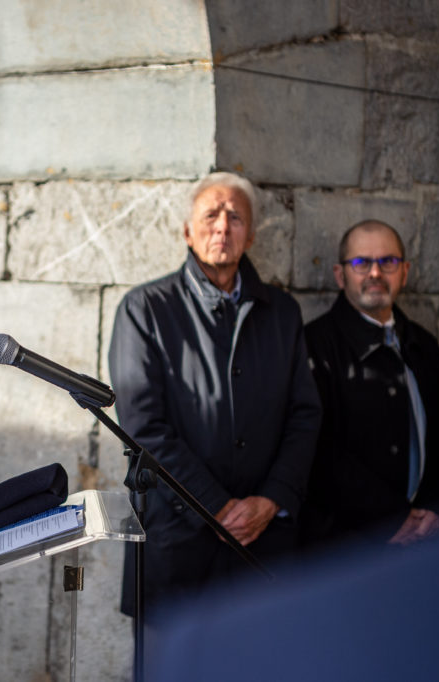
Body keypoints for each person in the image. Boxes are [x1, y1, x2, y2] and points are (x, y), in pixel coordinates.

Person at [108, 171, 322, 618]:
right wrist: (216, 508)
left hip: (265, 543)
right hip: (178, 544)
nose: (223, 226)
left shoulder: (282, 313)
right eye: (211, 215)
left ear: (251, 235)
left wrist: (271, 499)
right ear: (187, 231)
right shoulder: (145, 309)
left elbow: (305, 415)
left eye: (236, 217)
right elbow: (144, 427)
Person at [302, 220, 439, 550]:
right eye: (361, 263)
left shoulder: (423, 345)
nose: (375, 273)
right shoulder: (314, 345)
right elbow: (317, 453)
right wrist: (390, 518)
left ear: (404, 271)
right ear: (340, 274)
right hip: (348, 546)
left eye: (388, 262)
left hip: (427, 539)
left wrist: (435, 509)